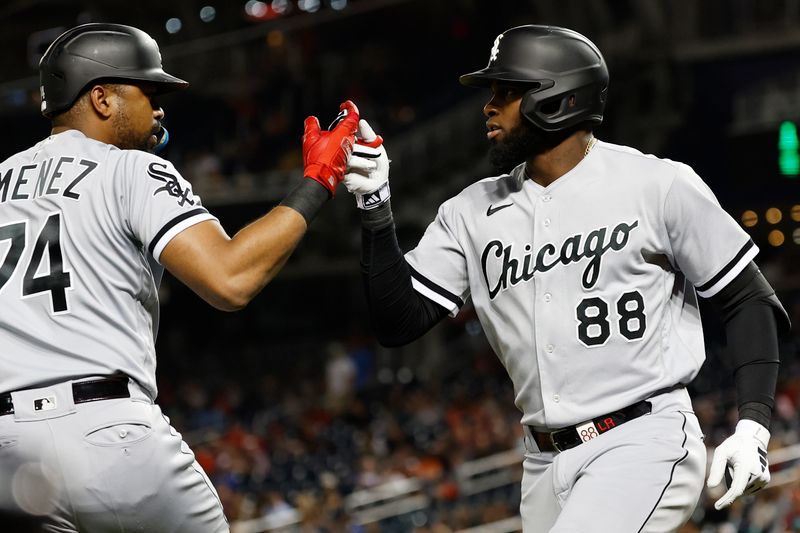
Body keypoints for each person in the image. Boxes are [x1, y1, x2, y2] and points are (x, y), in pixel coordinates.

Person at [344, 25, 789, 532]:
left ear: (556, 97)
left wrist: (754, 425)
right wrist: (375, 207)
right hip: (541, 463)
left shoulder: (656, 185)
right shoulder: (469, 211)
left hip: (641, 438)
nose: (489, 107)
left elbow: (748, 298)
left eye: (507, 92)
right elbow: (398, 322)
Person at [0, 23, 358, 532]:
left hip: (9, 455)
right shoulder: (129, 169)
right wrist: (318, 181)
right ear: (101, 98)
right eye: (149, 92)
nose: (160, 109)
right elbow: (230, 279)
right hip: (110, 435)